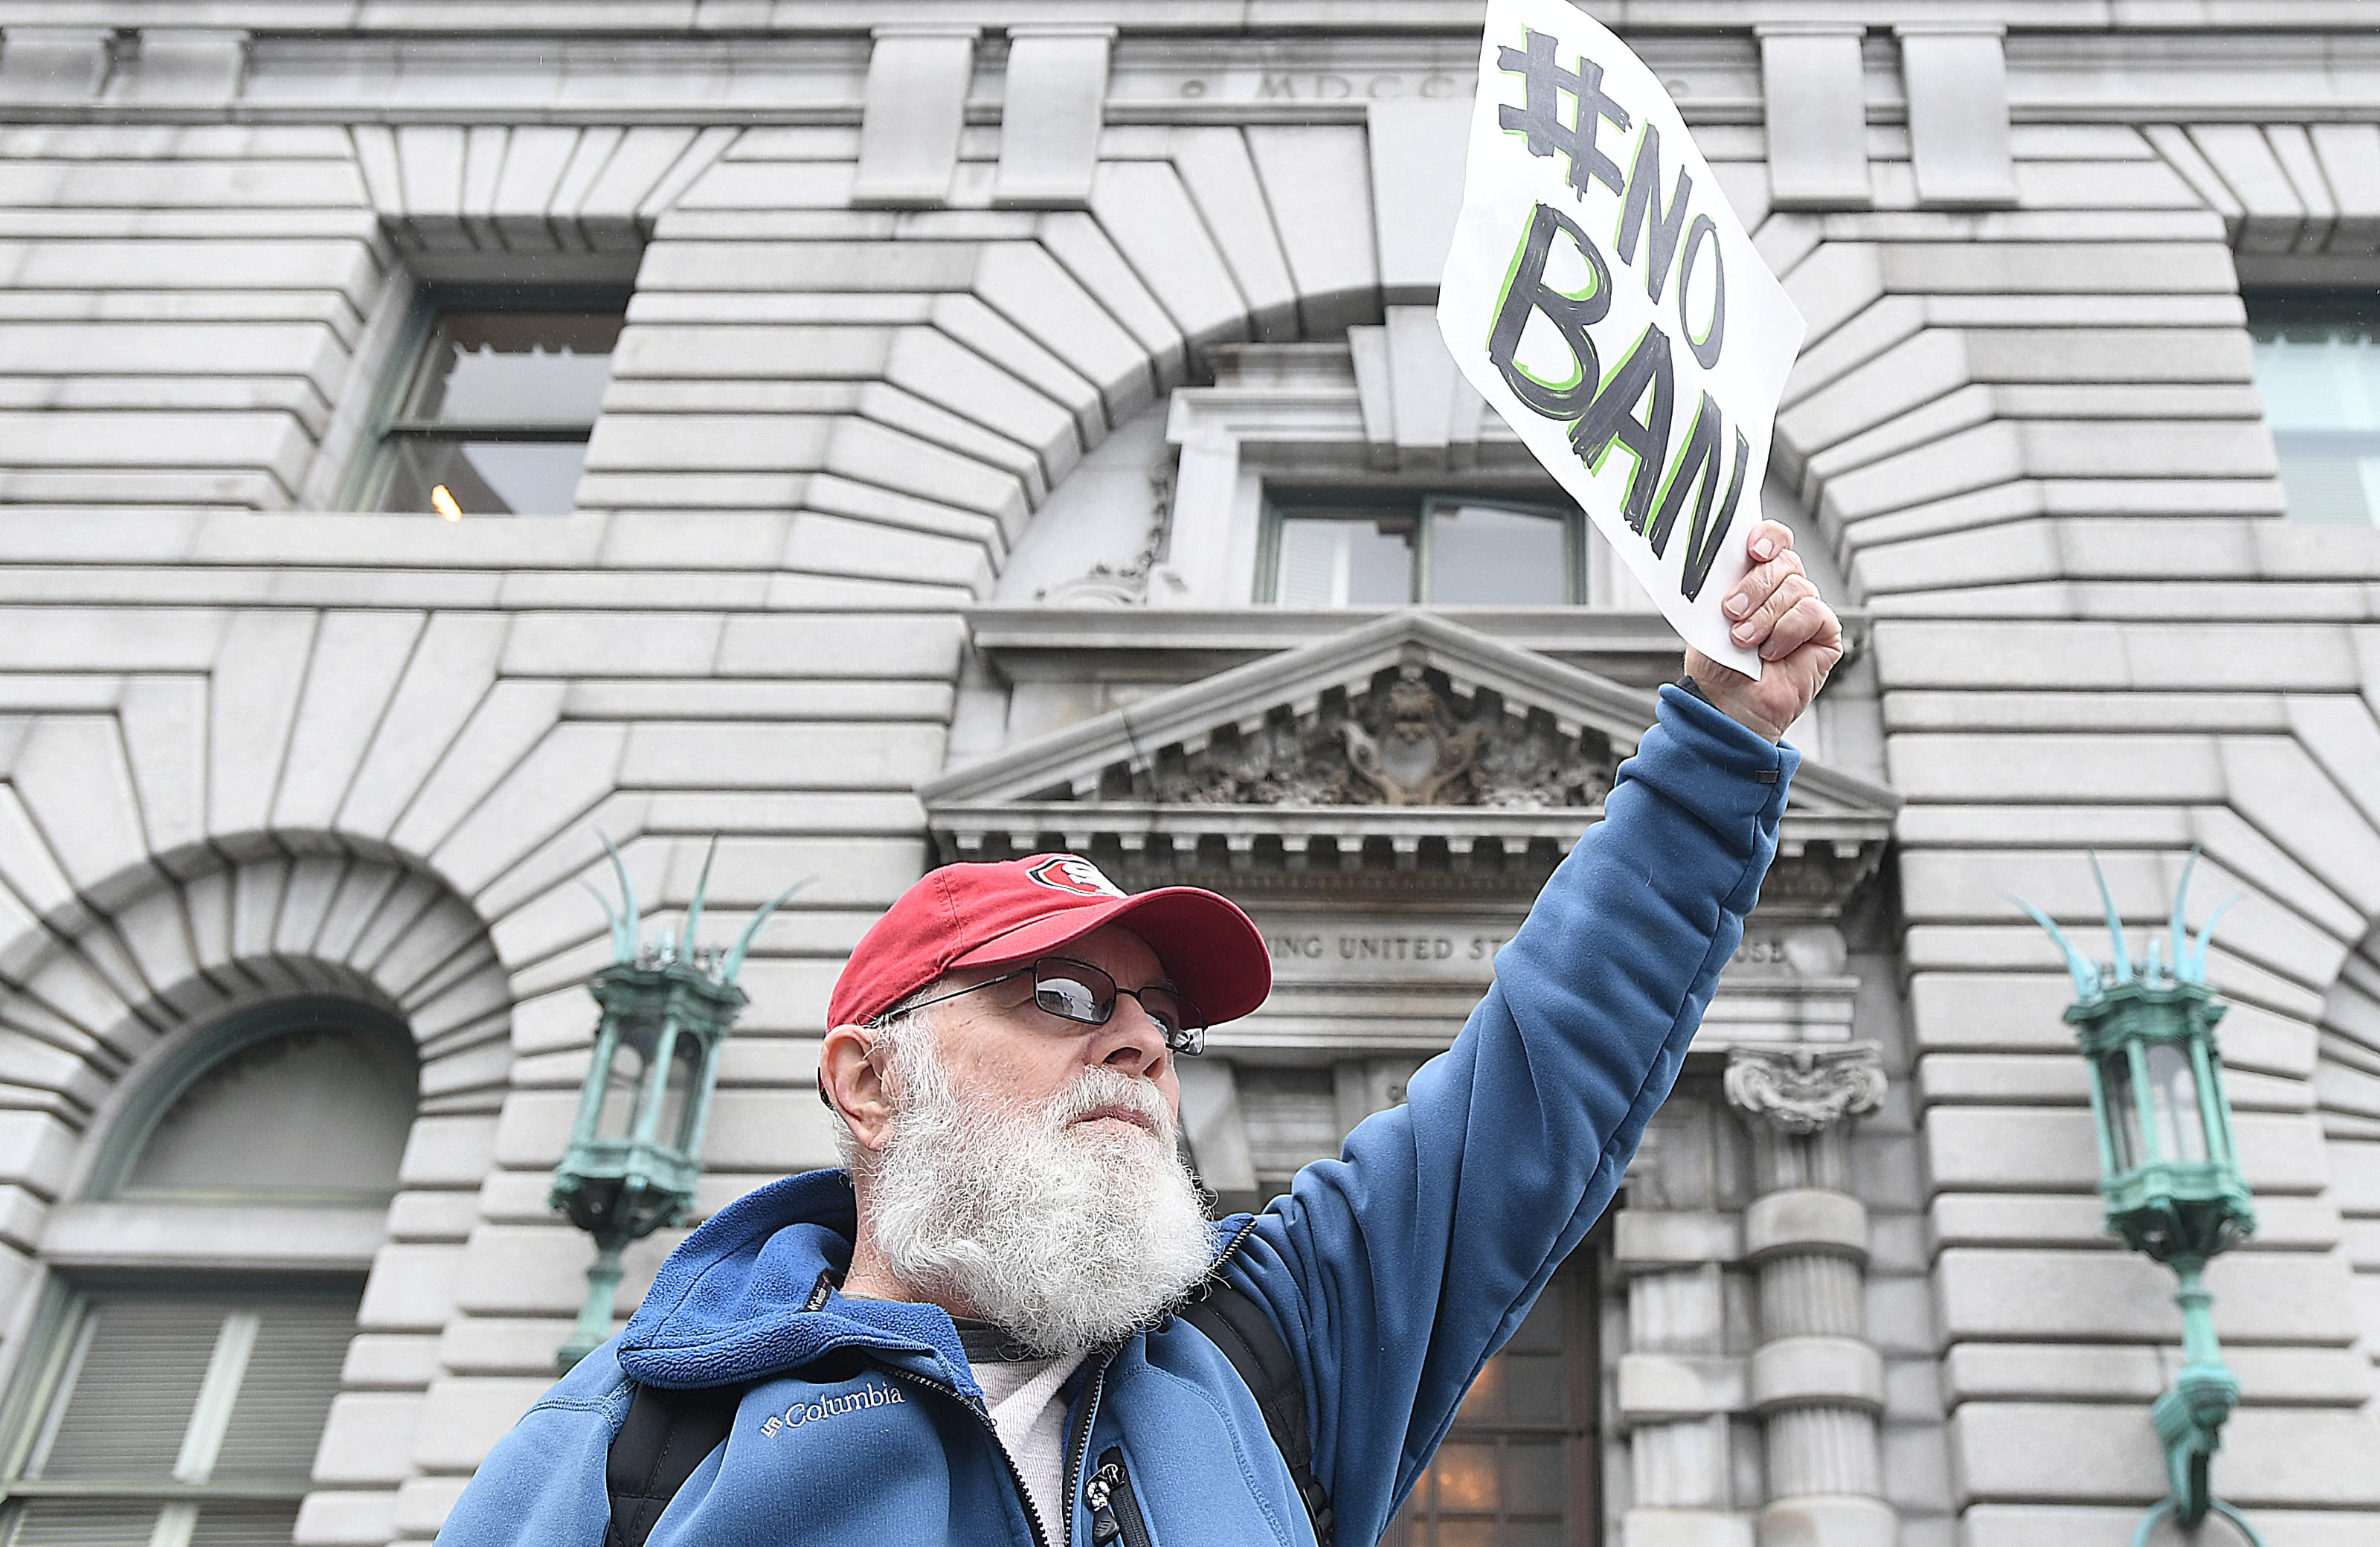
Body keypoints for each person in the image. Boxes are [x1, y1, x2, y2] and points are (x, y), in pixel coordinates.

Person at [440, 521, 1846, 1547]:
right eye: (1057, 998)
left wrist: (1721, 739)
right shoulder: (628, 1441)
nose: (1137, 1046)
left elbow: (1548, 1069)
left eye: (1161, 1019)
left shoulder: (1263, 1350)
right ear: (868, 1081)